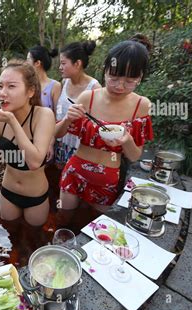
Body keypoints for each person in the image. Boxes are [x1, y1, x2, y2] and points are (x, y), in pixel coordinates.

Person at [56, 36, 154, 222]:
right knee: (64, 218)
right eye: (114, 78)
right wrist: (68, 119)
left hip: (107, 180)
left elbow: (134, 156)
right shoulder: (88, 97)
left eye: (129, 80)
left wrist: (127, 140)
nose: (120, 86)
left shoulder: (141, 105)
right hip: (75, 172)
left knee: (97, 226)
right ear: (105, 70)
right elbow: (58, 135)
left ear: (140, 77)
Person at [0, 59, 55, 227]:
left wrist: (12, 121)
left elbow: (34, 162)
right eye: (0, 86)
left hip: (35, 197)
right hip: (8, 193)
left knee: (34, 240)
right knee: (11, 235)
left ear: (30, 91)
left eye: (11, 86)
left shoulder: (43, 115)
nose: (2, 93)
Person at [54, 41, 101, 167]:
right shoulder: (64, 82)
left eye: (63, 63)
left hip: (81, 147)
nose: (60, 67)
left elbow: (97, 122)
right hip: (61, 141)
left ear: (78, 63)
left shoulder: (95, 88)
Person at [27, 45, 62, 162]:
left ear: (37, 63)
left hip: (46, 138)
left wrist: (50, 143)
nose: (25, 64)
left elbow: (58, 117)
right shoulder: (27, 85)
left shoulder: (55, 86)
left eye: (28, 60)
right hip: (27, 135)